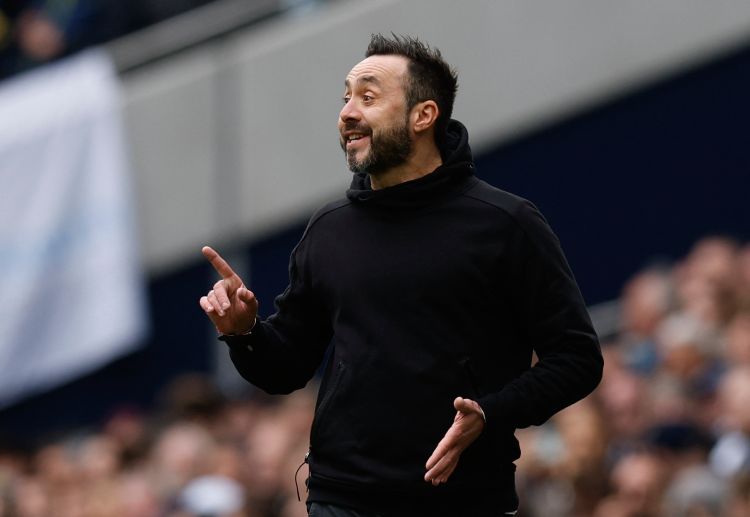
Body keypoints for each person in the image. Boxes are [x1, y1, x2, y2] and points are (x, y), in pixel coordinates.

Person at [199, 33, 603, 517]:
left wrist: (492, 413)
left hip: (465, 500)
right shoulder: (328, 230)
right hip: (341, 500)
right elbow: (286, 369)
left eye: (368, 97)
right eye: (346, 97)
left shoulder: (506, 223)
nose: (348, 112)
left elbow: (578, 358)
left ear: (423, 116)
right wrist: (244, 332)